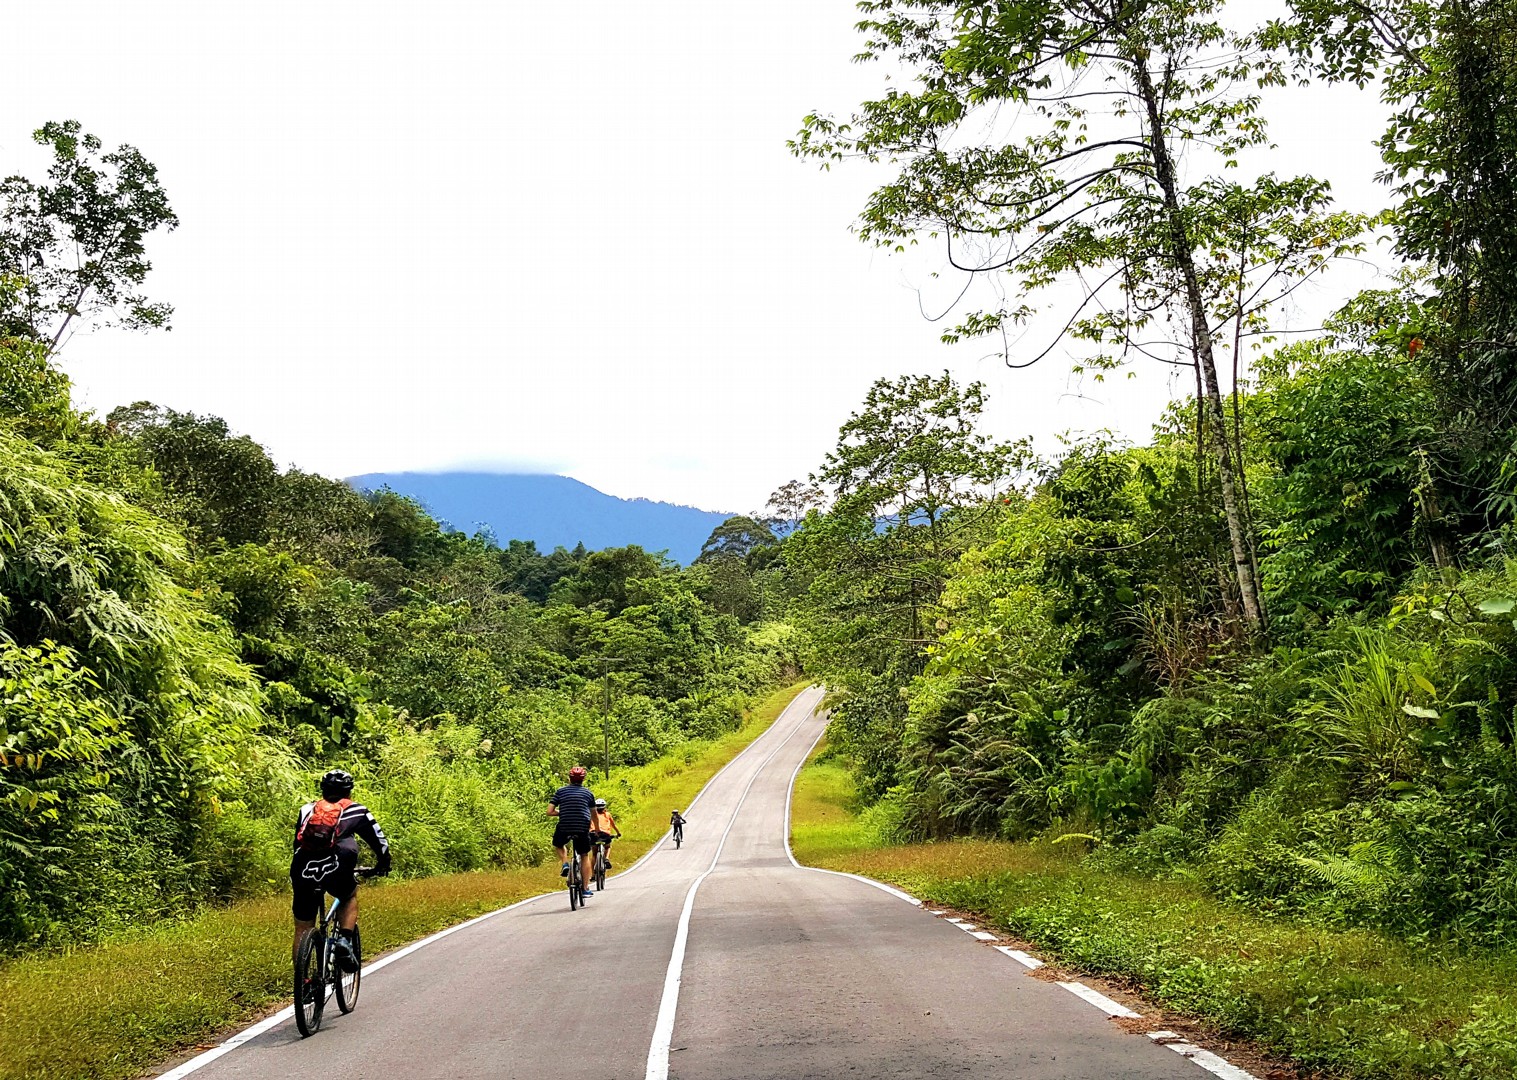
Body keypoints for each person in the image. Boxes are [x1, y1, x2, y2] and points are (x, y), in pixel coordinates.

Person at [291, 769, 390, 982]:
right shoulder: (358, 810)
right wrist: (383, 864)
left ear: (323, 790)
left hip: (302, 867)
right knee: (348, 895)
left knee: (303, 925)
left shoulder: (307, 809)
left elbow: (297, 842)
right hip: (338, 863)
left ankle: (303, 982)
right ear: (349, 791)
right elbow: (379, 842)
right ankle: (344, 940)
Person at [548, 765, 597, 898]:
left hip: (565, 826)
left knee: (559, 844)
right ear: (583, 779)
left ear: (569, 778)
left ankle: (565, 862)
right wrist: (596, 829)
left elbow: (549, 811)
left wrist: (562, 813)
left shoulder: (560, 792)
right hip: (582, 827)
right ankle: (586, 888)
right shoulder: (588, 793)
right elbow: (594, 814)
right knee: (584, 855)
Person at [589, 798, 622, 868]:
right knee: (607, 847)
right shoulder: (607, 814)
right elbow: (613, 825)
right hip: (605, 834)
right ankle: (606, 858)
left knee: (594, 854)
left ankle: (593, 875)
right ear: (604, 807)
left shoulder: (591, 815)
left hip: (593, 834)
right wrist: (618, 833)